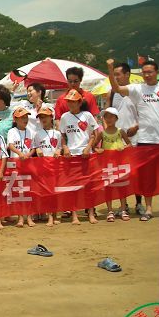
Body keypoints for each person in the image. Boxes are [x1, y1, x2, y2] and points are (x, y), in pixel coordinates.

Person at [106, 58, 159, 222]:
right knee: (147, 177)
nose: (147, 75)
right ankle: (148, 209)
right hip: (146, 140)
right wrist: (110, 69)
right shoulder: (138, 89)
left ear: (156, 72)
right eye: (144, 72)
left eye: (150, 72)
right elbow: (116, 88)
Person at [105, 62, 143, 216]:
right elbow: (106, 114)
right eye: (114, 75)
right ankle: (123, 205)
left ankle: (139, 203)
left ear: (127, 74)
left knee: (136, 173)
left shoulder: (136, 91)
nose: (116, 77)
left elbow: (145, 114)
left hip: (134, 138)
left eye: (118, 74)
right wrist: (108, 133)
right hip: (117, 140)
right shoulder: (112, 93)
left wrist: (137, 127)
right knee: (120, 173)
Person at [59, 89, 101, 225]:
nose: (70, 104)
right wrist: (65, 148)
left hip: (86, 155)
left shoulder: (87, 115)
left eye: (73, 101)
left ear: (79, 102)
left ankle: (91, 214)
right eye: (68, 101)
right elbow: (62, 136)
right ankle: (74, 215)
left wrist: (89, 148)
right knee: (73, 187)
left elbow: (93, 134)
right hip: (71, 156)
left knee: (89, 186)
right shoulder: (64, 117)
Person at [94, 107, 133, 222]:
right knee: (108, 188)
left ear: (116, 118)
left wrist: (124, 147)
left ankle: (123, 209)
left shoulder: (120, 131)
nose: (108, 119)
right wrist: (98, 150)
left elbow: (130, 144)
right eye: (106, 116)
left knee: (121, 187)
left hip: (120, 164)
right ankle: (110, 211)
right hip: (107, 165)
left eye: (111, 116)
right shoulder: (102, 133)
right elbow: (94, 146)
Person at [32, 106, 62, 227]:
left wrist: (59, 150)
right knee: (47, 191)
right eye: (41, 117)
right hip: (43, 167)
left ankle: (54, 215)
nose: (43, 119)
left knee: (55, 192)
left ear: (51, 117)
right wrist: (38, 149)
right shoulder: (37, 134)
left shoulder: (58, 133)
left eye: (45, 116)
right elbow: (35, 147)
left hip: (55, 166)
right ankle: (49, 216)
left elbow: (60, 146)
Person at [7, 107, 35, 227]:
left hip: (28, 164)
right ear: (16, 119)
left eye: (26, 117)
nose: (25, 119)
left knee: (28, 191)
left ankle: (29, 217)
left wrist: (28, 155)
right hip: (16, 164)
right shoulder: (12, 131)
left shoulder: (30, 131)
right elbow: (10, 145)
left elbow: (33, 147)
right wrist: (20, 154)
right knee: (18, 192)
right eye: (22, 117)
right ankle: (20, 218)